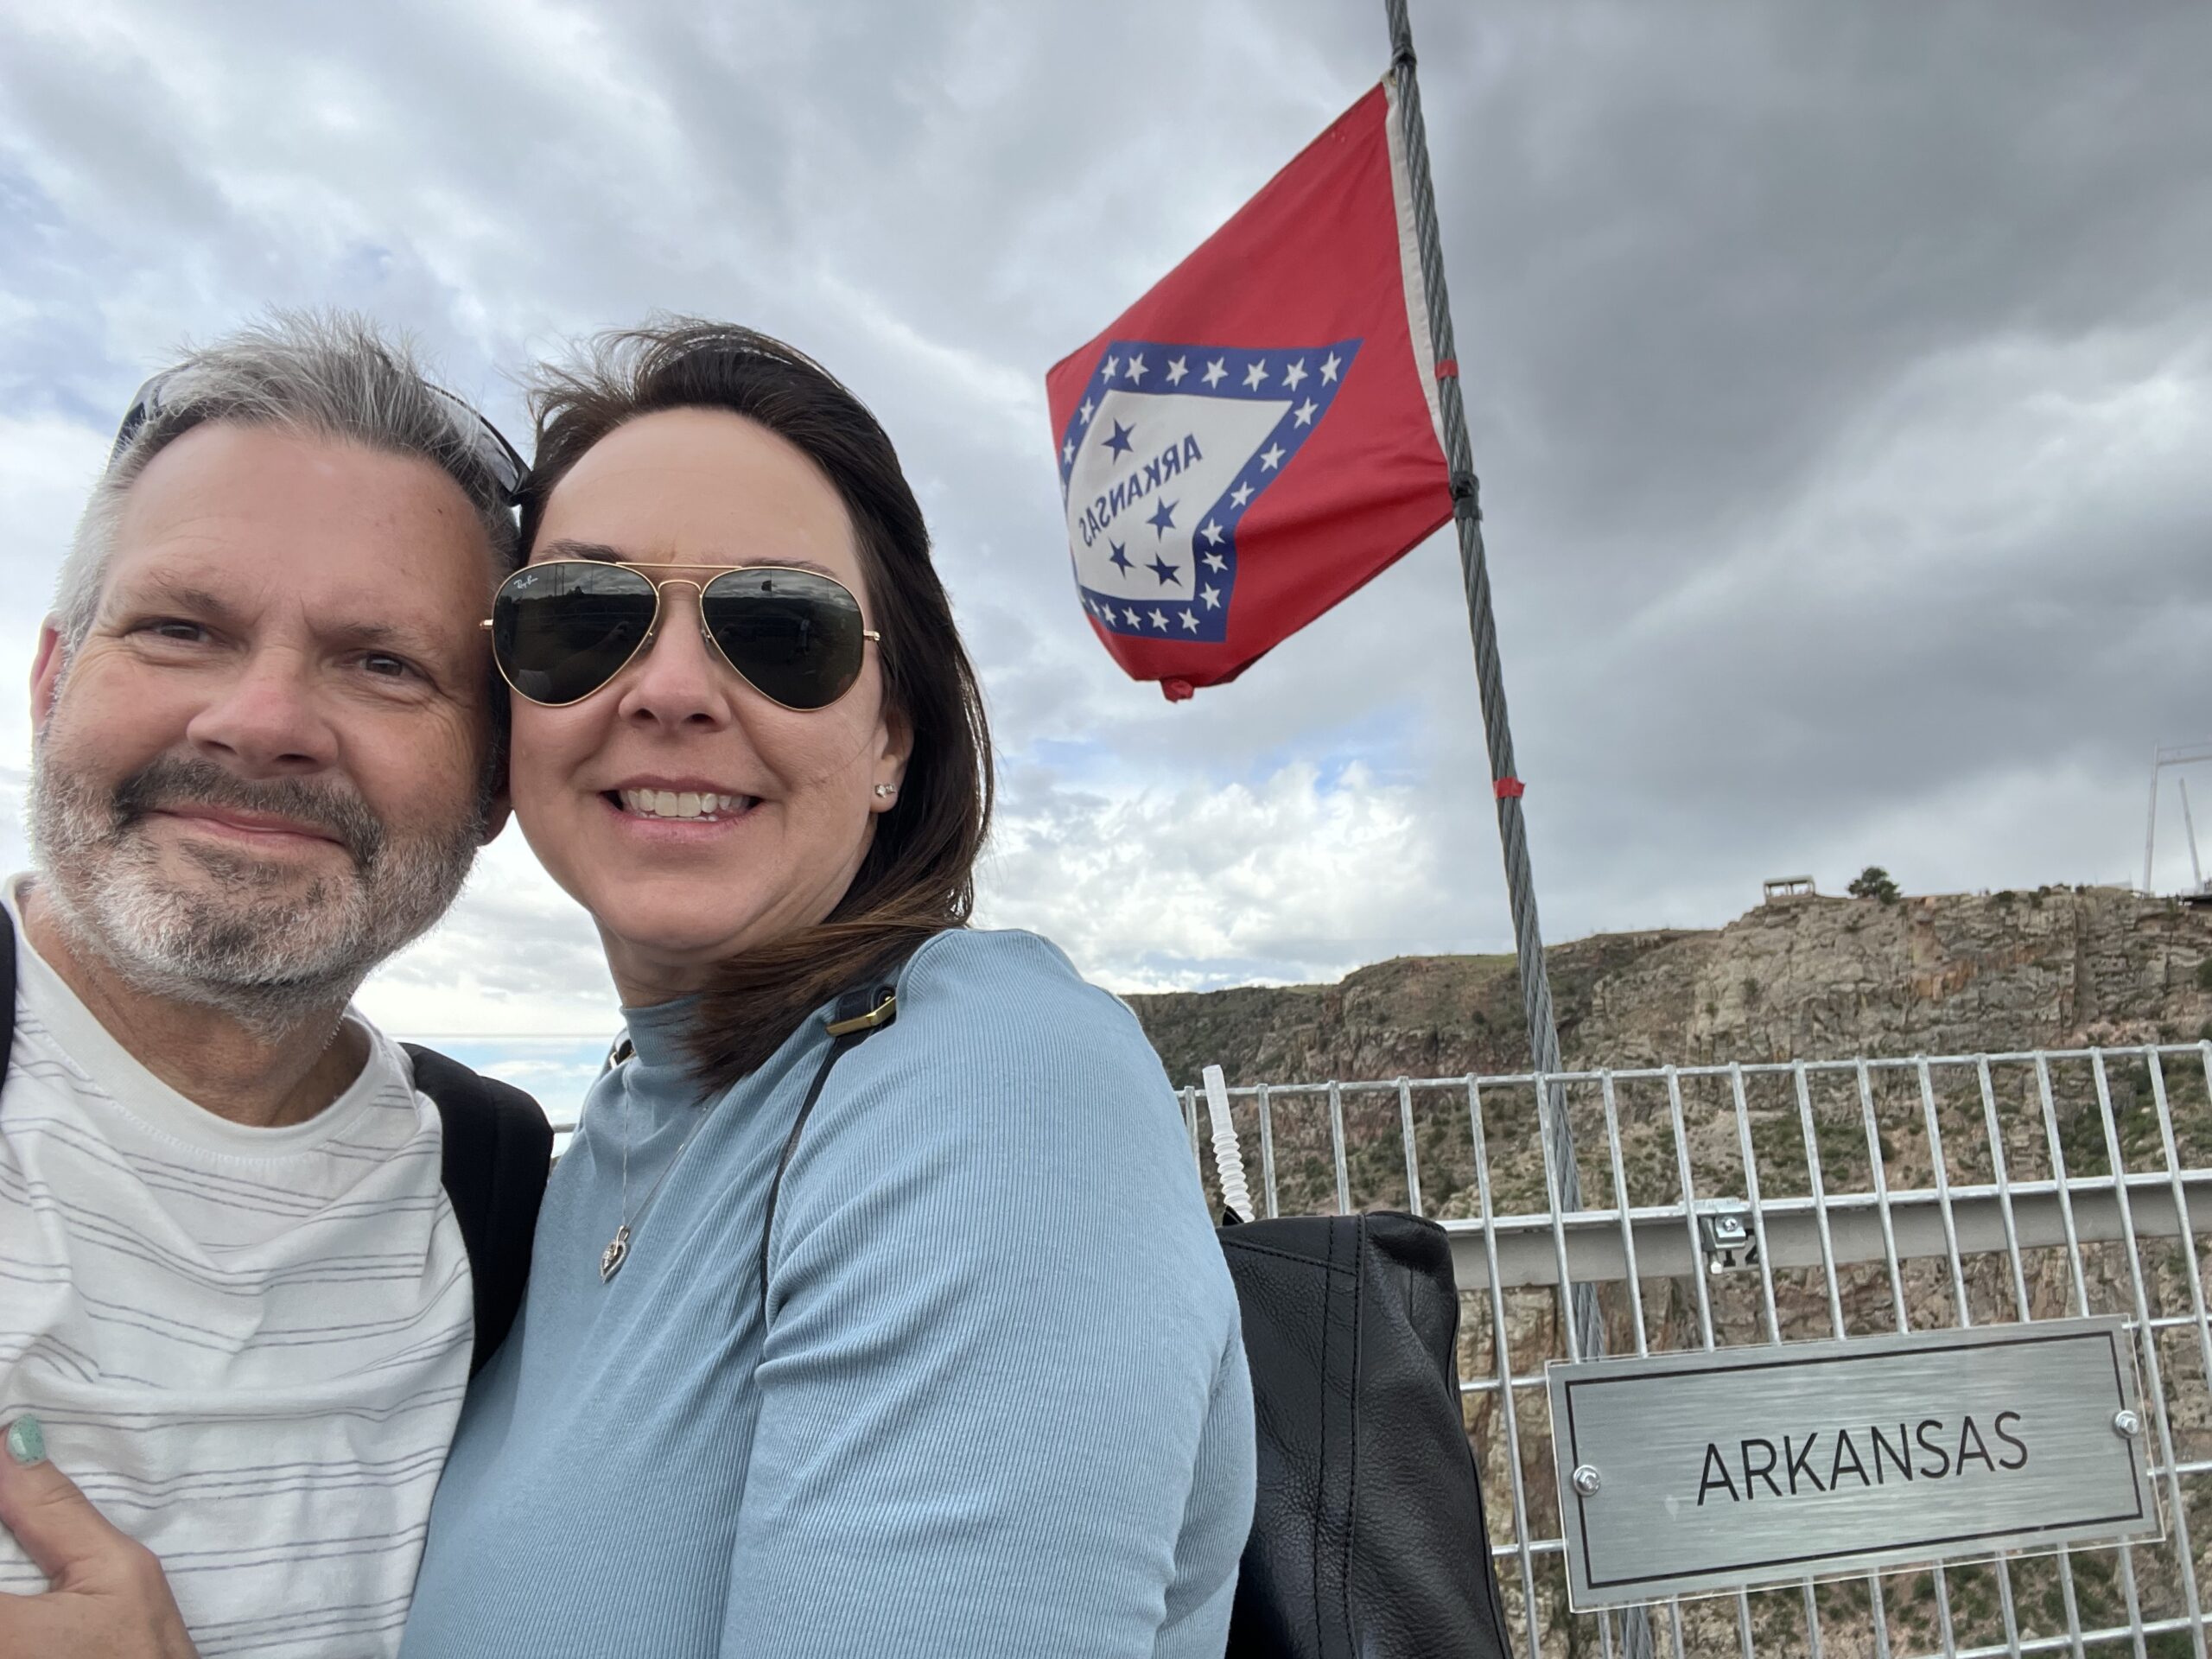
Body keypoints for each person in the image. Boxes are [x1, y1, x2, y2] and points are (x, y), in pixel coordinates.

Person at [397, 321, 1255, 1658]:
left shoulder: (987, 1076)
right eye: (580, 617)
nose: (670, 689)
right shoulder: (625, 1118)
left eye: (778, 630)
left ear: (889, 744)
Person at [0, 315, 550, 1658]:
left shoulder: (503, 1192)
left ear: (493, 783)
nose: (261, 723)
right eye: (183, 628)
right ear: (55, 680)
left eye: (383, 664)